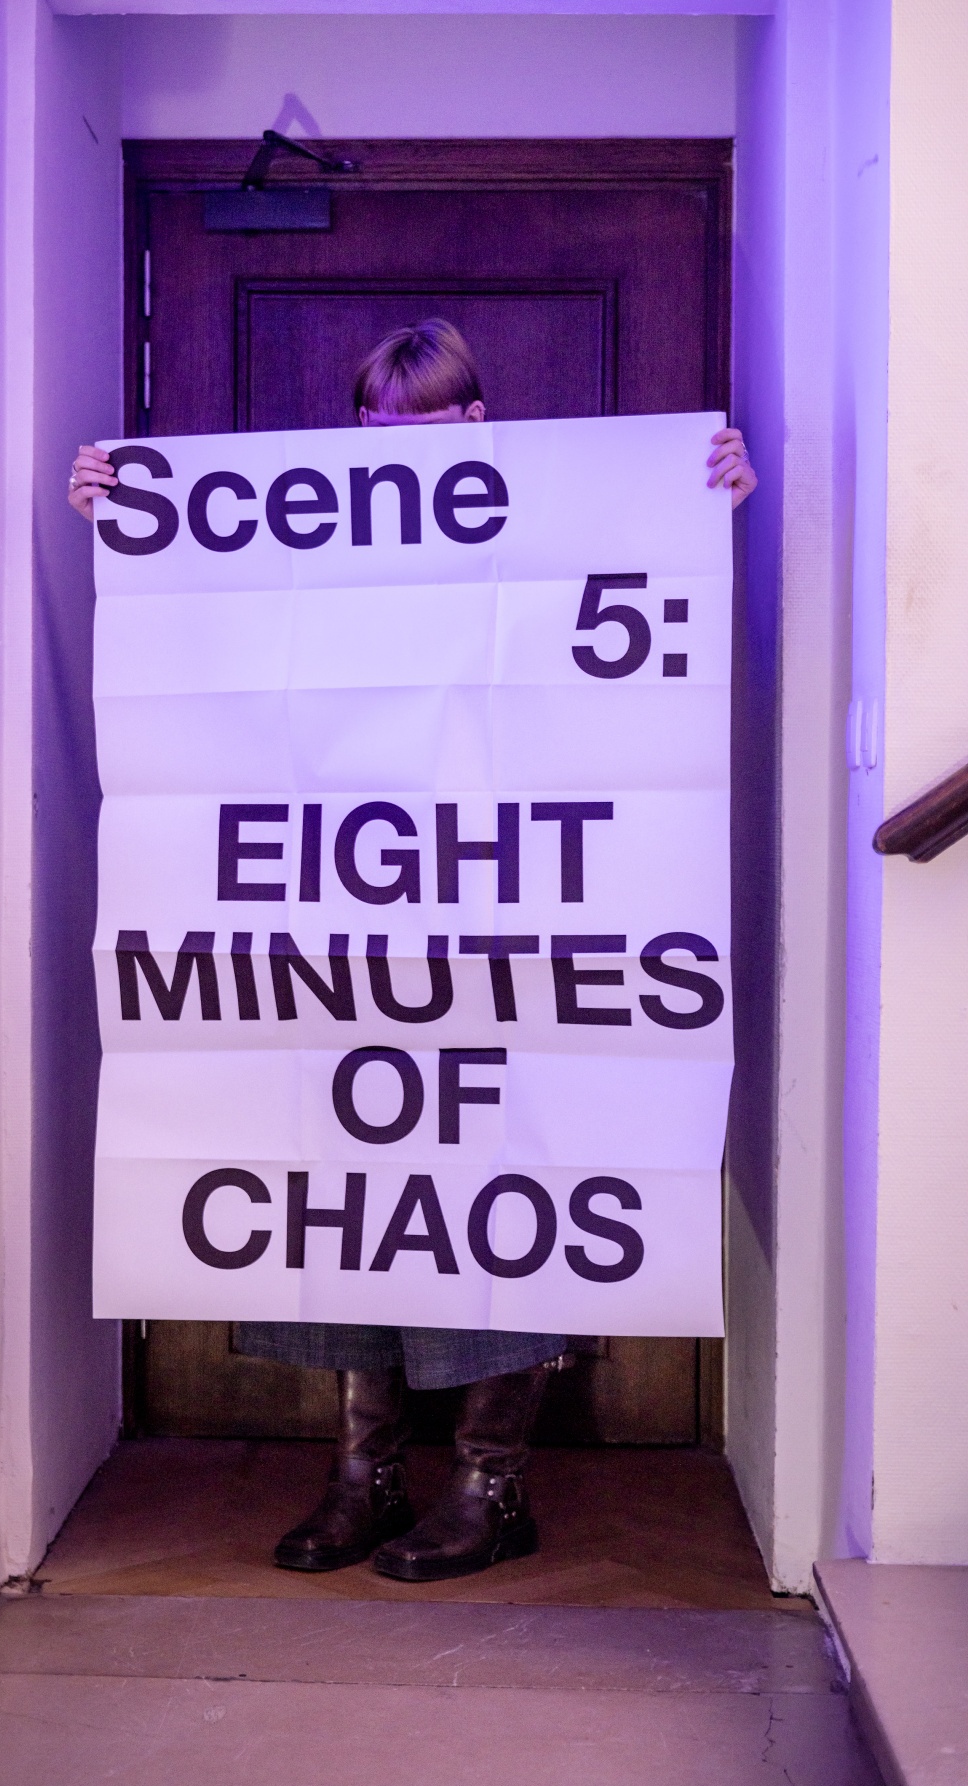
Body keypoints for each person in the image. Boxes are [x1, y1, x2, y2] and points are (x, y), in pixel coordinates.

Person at [70, 320, 757, 1584]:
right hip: (350, 922)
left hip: (507, 917)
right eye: (376, 431)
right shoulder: (316, 539)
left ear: (479, 421)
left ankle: (494, 1484)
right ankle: (365, 1473)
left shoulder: (556, 519)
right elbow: (215, 642)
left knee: (501, 1181)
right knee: (362, 1183)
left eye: (425, 428)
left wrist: (697, 494)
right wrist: (125, 512)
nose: (397, 451)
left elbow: (636, 619)